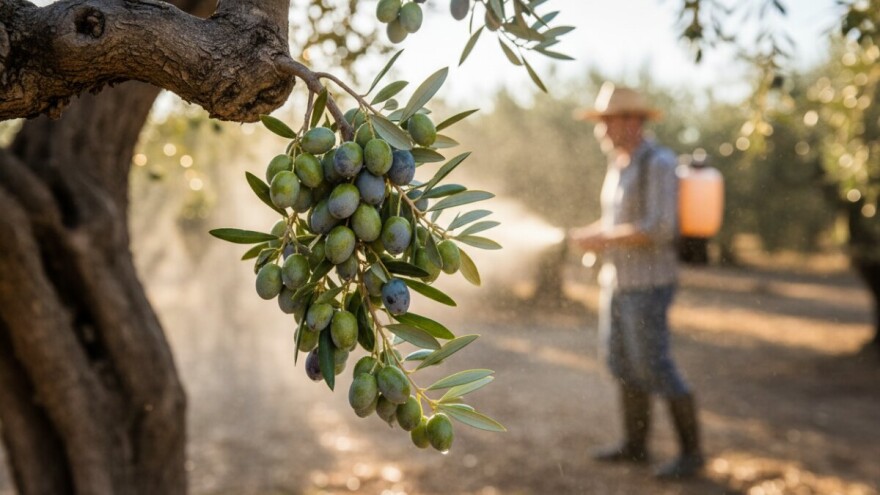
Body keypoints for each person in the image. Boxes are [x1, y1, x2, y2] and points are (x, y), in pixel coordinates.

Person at [569, 82, 704, 479]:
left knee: (655, 366)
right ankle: (635, 446)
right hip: (618, 281)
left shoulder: (659, 163)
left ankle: (692, 454)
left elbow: (660, 228)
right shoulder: (619, 164)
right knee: (622, 363)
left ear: (633, 121)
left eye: (607, 121)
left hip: (649, 284)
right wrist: (590, 233)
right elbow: (616, 222)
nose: (602, 130)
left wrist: (602, 238)